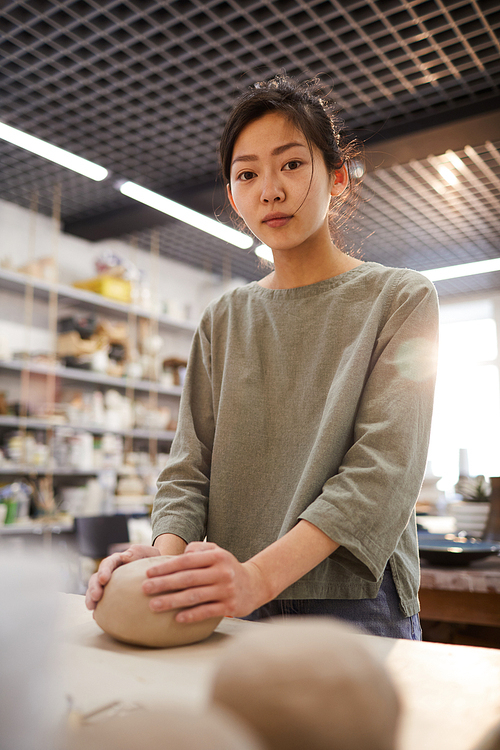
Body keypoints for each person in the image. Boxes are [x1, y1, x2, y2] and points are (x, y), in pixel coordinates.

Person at [86, 75, 438, 639]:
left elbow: (383, 473)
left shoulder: (400, 297)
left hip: (351, 603)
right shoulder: (223, 318)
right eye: (247, 174)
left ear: (338, 177)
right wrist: (161, 560)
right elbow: (188, 468)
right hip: (232, 599)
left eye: (292, 164)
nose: (269, 190)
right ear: (233, 196)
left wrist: (257, 577)